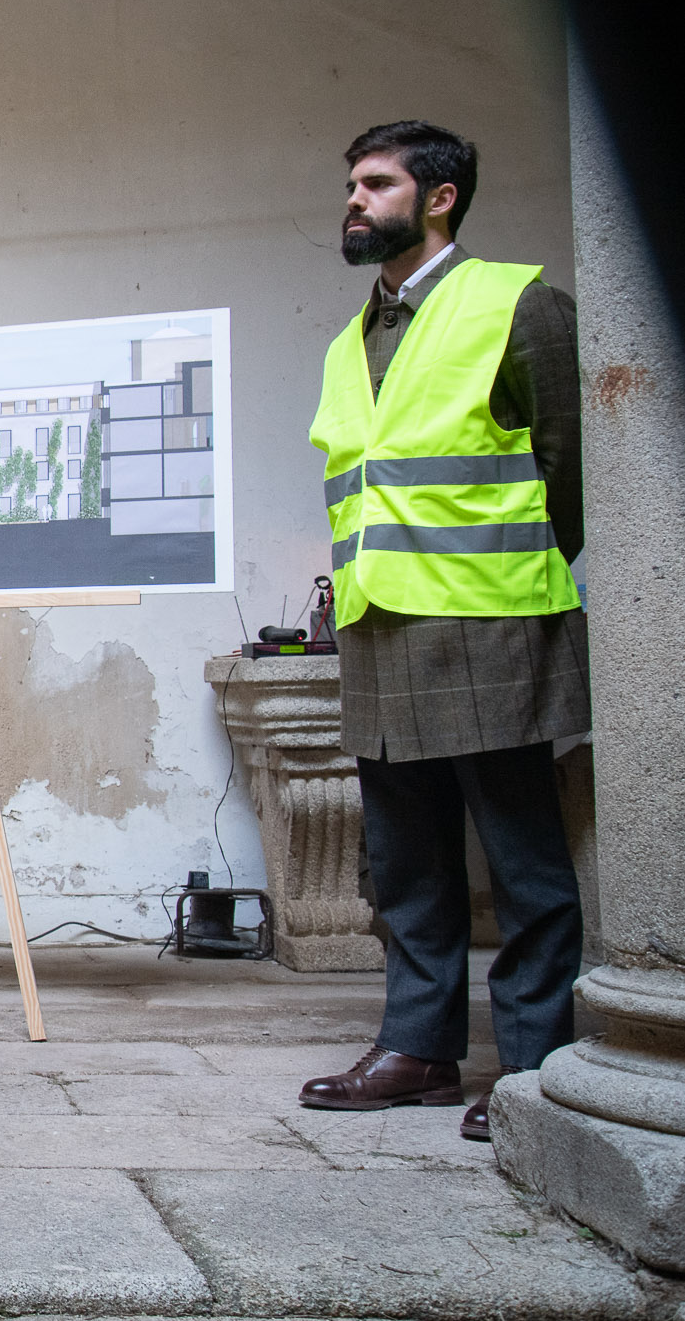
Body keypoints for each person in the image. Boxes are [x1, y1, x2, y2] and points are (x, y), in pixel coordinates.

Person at [301, 121, 588, 1143]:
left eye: (375, 183)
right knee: (405, 862)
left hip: (493, 623)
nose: (353, 197)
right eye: (350, 182)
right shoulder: (352, 339)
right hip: (384, 633)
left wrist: (514, 569)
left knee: (523, 865)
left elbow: (570, 472)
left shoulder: (517, 302)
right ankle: (419, 1050)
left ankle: (537, 1070)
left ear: (439, 198)